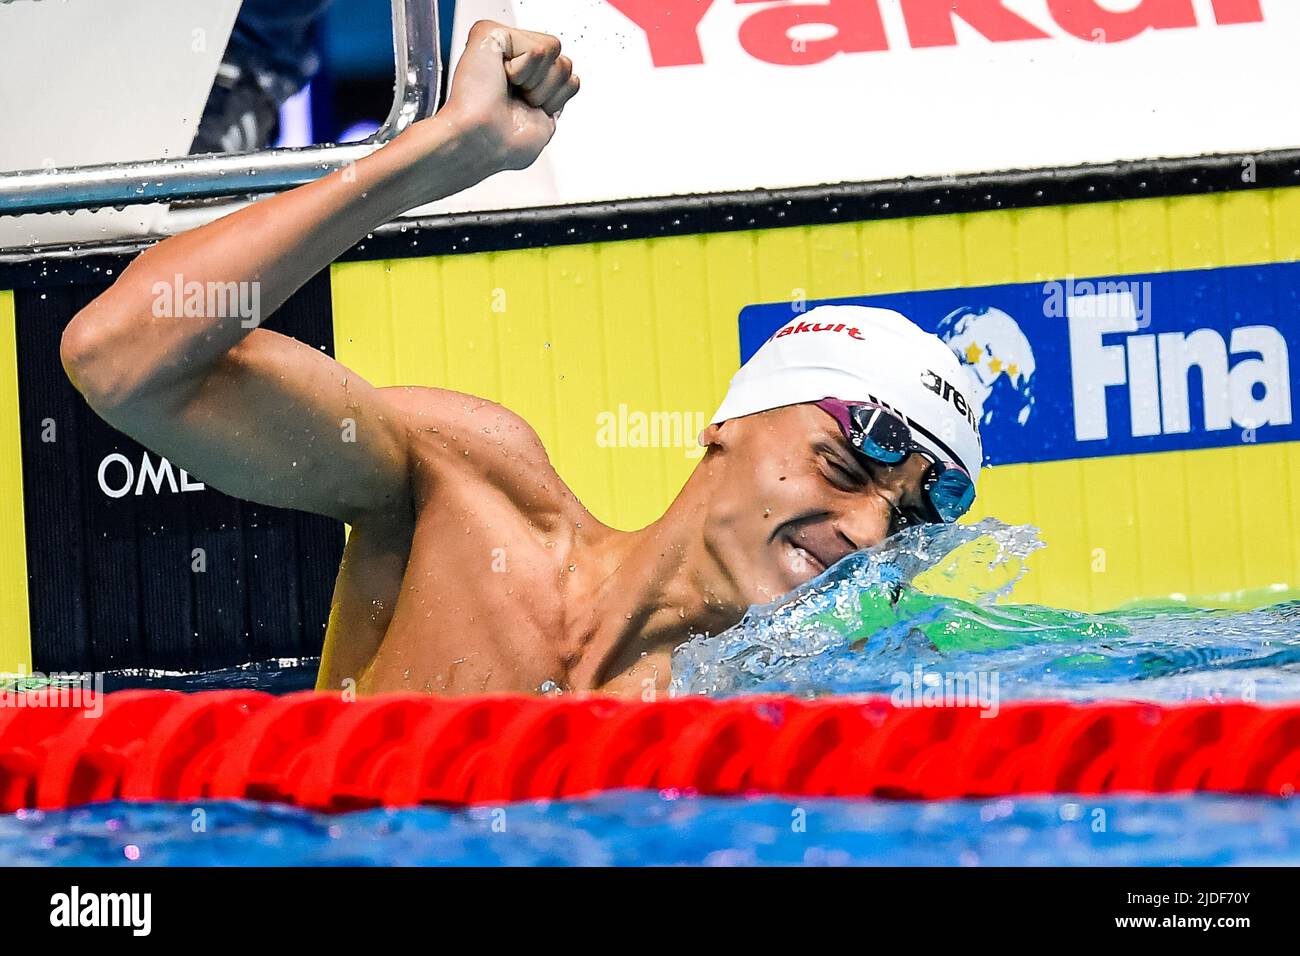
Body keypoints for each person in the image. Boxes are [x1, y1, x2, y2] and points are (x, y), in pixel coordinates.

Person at [60, 21, 982, 698]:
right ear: (726, 427)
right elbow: (122, 358)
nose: (866, 534)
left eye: (902, 525)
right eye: (840, 466)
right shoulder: (467, 491)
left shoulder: (805, 715)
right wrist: (434, 157)